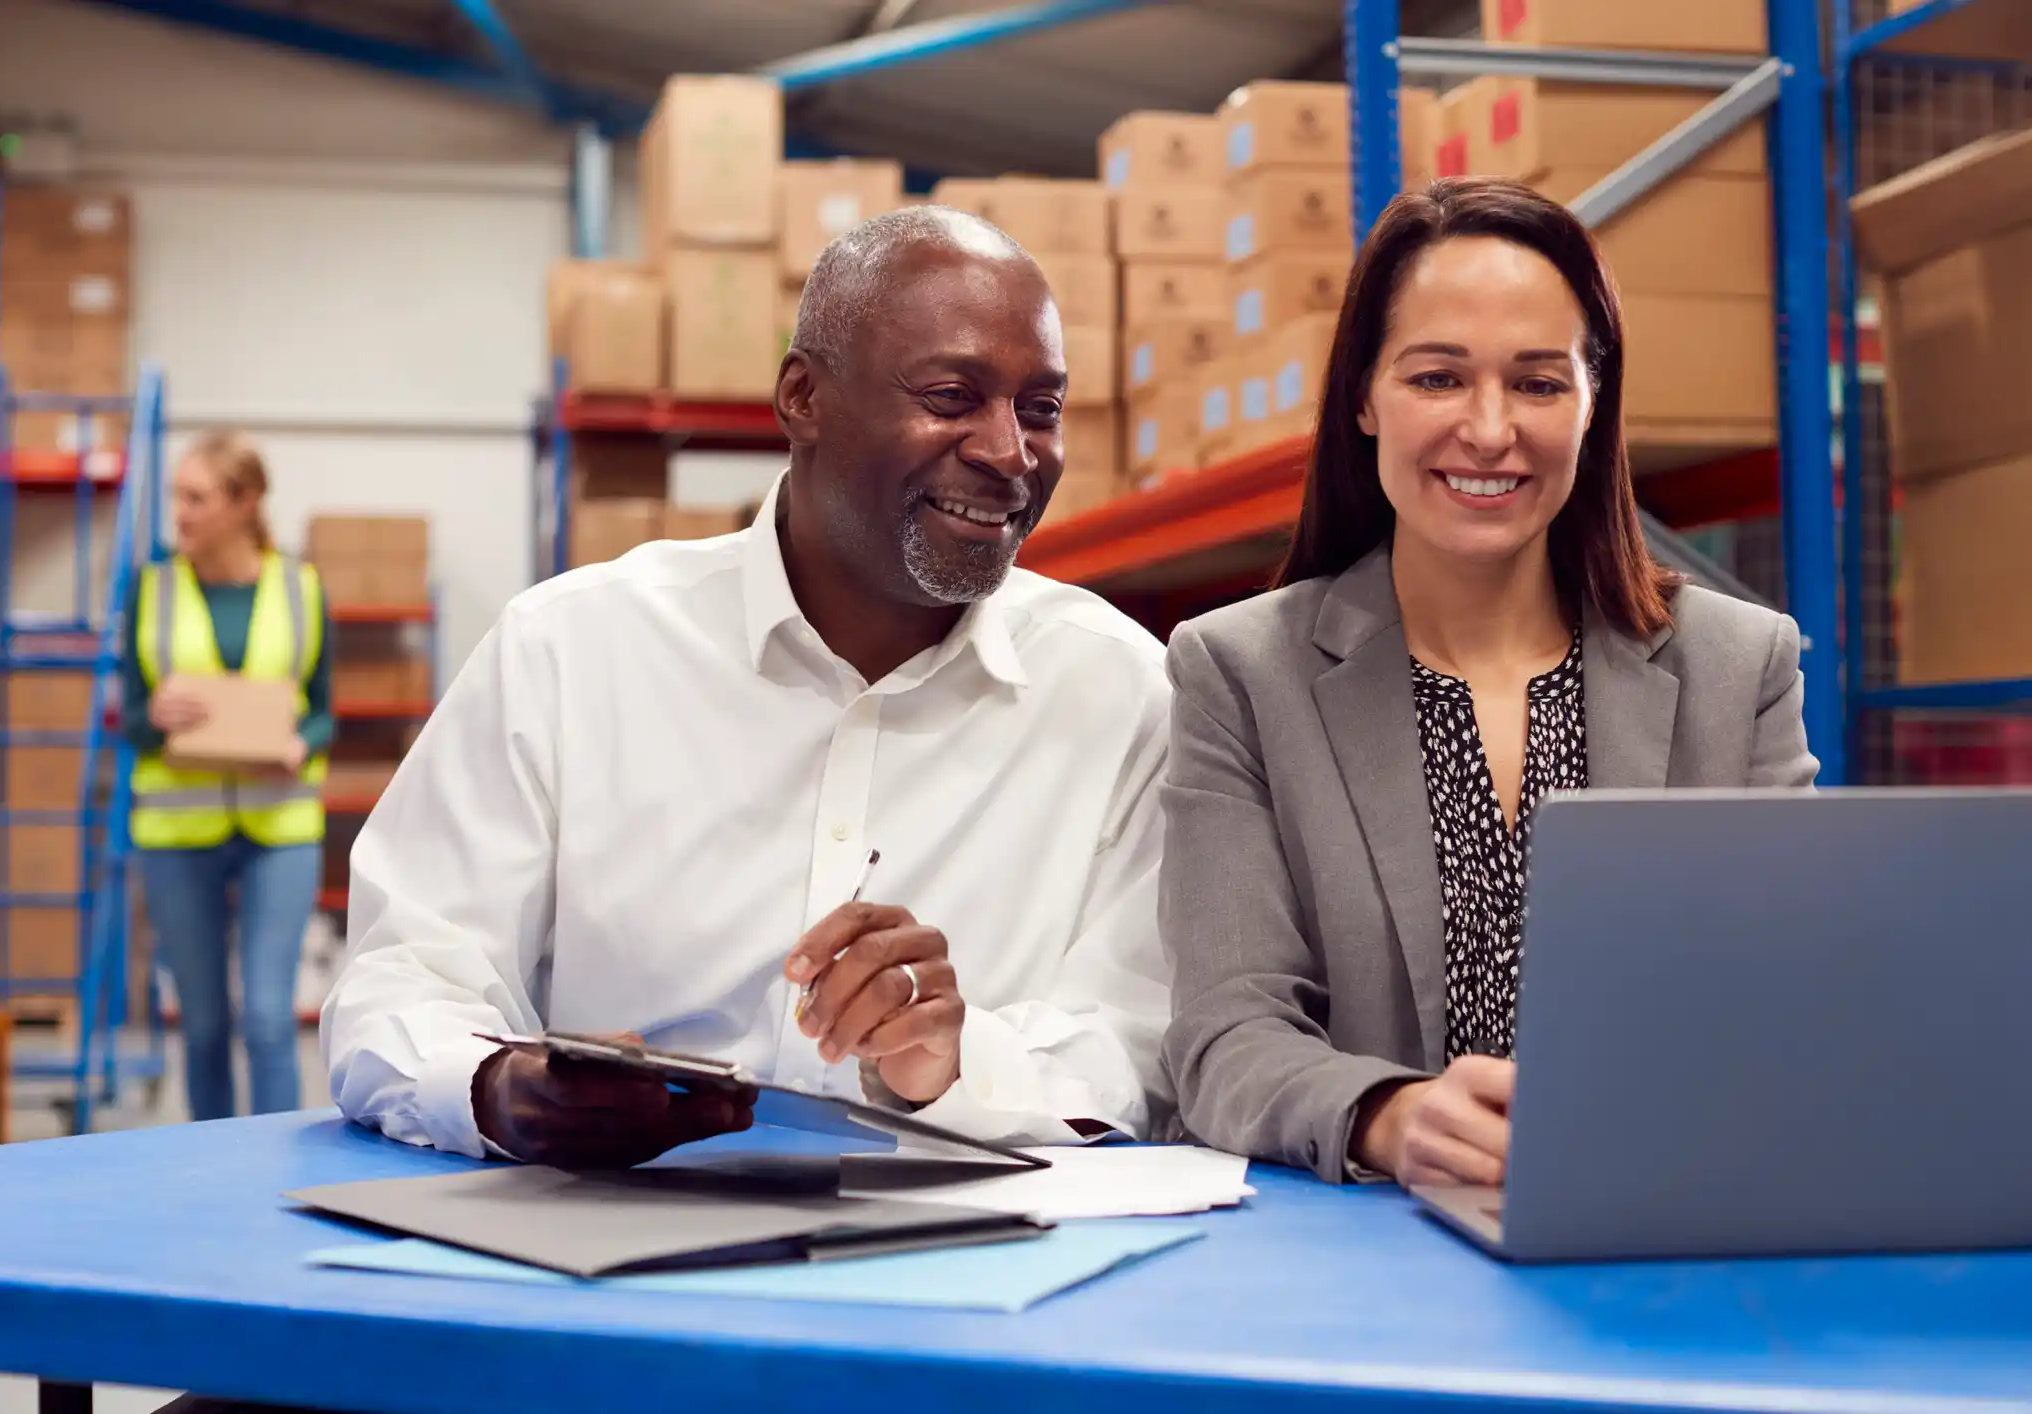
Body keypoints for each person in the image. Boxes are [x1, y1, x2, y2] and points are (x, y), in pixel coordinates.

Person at [322, 207, 1173, 1169]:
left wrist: (954, 1060)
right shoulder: (569, 651)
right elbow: (402, 976)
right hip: (605, 1251)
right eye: (950, 395)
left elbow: (1143, 1045)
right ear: (803, 397)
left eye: (1040, 409)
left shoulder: (1122, 694)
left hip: (964, 1271)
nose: (1008, 451)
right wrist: (498, 1087)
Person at [1159, 178, 1818, 1189]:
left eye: (1540, 383)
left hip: (1660, 1231)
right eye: (1437, 378)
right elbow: (1224, 1036)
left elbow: (1791, 997)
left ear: (1594, 405)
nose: (1490, 428)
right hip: (1377, 1255)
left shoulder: (1741, 666)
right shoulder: (1242, 674)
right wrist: (1388, 1114)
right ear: (1364, 398)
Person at [124, 430, 333, 1121]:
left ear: (245, 504)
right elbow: (130, 718)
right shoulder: (151, 590)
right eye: (176, 497)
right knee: (205, 1028)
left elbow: (324, 712)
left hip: (280, 826)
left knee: (270, 1019)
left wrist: (301, 743)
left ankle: (272, 1174)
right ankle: (213, 1172)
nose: (178, 513)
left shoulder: (301, 588)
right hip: (179, 834)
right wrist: (153, 715)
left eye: (196, 497)